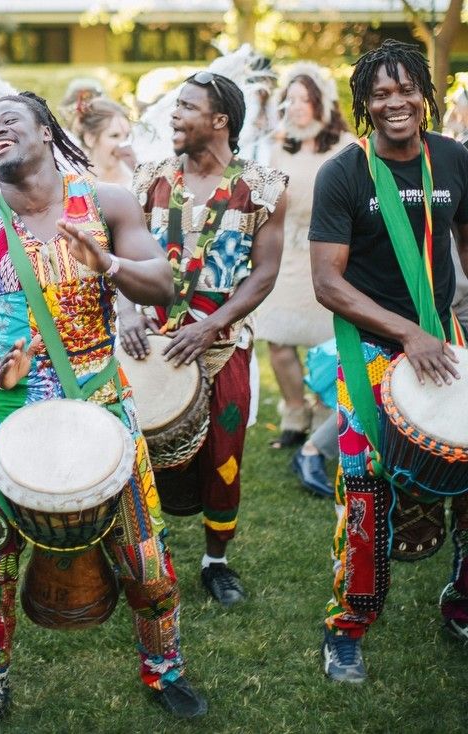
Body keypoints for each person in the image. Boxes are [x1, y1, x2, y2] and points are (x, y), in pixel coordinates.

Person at [0, 91, 207, 732]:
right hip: (7, 409)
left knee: (144, 553)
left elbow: (164, 284)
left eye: (9, 121)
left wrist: (107, 263)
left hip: (101, 404)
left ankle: (164, 668)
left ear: (45, 131)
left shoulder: (106, 202)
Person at [309, 40, 468, 683]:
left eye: (406, 90)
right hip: (372, 349)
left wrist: (447, 334)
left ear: (425, 94)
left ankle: (460, 602)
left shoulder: (455, 160)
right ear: (364, 106)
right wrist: (410, 335)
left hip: (443, 340)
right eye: (380, 94)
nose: (394, 102)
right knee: (366, 491)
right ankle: (346, 624)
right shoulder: (344, 174)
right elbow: (327, 282)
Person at [120, 71, 288, 607]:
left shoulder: (262, 188)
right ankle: (140, 553)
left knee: (224, 454)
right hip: (150, 346)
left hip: (222, 347)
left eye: (186, 107)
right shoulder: (148, 181)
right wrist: (127, 309)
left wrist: (211, 325)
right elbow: (116, 254)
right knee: (134, 450)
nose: (173, 115)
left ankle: (216, 561)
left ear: (220, 122)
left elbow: (263, 274)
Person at [255, 63, 355, 451]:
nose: (295, 106)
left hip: (331, 255)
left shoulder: (346, 145)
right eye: (290, 99)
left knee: (327, 344)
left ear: (321, 103)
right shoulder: (277, 147)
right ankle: (294, 414)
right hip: (286, 256)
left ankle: (323, 415)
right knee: (278, 340)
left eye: (303, 99)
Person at [74, 97, 135, 187]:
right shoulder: (76, 185)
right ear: (90, 139)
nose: (124, 144)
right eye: (114, 135)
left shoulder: (135, 180)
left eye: (126, 136)